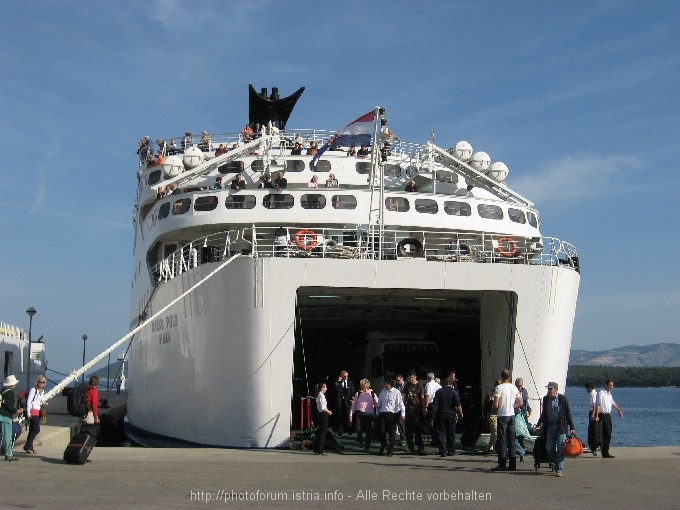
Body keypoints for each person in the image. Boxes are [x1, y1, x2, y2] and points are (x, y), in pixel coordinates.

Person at [538, 382, 575, 477]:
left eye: (550, 389)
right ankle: (553, 461)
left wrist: (572, 427)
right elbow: (544, 413)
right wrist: (539, 423)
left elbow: (568, 413)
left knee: (560, 448)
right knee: (549, 447)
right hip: (550, 426)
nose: (549, 391)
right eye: (548, 389)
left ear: (555, 389)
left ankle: (559, 469)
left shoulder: (562, 399)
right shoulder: (546, 399)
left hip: (561, 426)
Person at [492, 369, 521, 471]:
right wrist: (512, 406)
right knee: (511, 440)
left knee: (502, 440)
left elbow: (495, 404)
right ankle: (513, 464)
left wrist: (498, 408)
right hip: (511, 415)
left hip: (502, 415)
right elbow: (520, 402)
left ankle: (502, 464)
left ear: (502, 376)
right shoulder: (514, 388)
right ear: (509, 377)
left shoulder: (498, 388)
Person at [432, 376, 463, 457]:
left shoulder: (438, 392)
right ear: (451, 383)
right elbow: (458, 404)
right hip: (451, 414)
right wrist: (460, 414)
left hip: (440, 414)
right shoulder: (454, 392)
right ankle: (451, 450)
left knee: (441, 433)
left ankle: (443, 451)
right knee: (451, 433)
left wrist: (434, 413)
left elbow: (435, 405)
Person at [376, 377, 406, 456]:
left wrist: (403, 414)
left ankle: (390, 449)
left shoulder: (396, 392)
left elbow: (400, 404)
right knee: (381, 431)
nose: (385, 385)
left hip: (392, 414)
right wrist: (377, 411)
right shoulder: (383, 391)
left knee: (391, 433)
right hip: (383, 413)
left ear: (390, 384)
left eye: (386, 383)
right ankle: (383, 445)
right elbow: (379, 403)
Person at [595, 379, 623, 459]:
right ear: (606, 385)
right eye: (610, 385)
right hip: (602, 414)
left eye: (612, 385)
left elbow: (613, 403)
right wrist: (596, 415)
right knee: (606, 433)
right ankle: (604, 452)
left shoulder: (609, 395)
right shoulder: (601, 393)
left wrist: (619, 410)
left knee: (609, 433)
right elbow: (598, 404)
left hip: (608, 415)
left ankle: (605, 451)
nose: (611, 387)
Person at [349, 379, 378, 451]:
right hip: (360, 413)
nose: (362, 387)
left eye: (363, 386)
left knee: (369, 430)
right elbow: (354, 405)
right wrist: (350, 414)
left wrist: (378, 413)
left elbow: (377, 404)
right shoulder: (358, 393)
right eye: (361, 386)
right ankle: (360, 441)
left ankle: (367, 445)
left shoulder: (372, 393)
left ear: (367, 386)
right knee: (358, 428)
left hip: (369, 414)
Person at [23, 375, 48, 455]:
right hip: (32, 411)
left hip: (37, 411)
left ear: (44, 383)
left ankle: (30, 448)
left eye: (43, 382)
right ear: (37, 382)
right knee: (37, 429)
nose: (41, 383)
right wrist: (28, 413)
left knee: (31, 430)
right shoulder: (33, 390)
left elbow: (41, 400)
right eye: (39, 382)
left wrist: (44, 403)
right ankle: (27, 445)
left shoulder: (42, 391)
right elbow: (29, 401)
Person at [403, 370, 426, 455]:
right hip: (409, 409)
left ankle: (420, 447)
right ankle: (410, 446)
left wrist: (424, 408)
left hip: (417, 410)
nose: (410, 379)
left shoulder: (419, 386)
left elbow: (422, 397)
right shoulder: (407, 385)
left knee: (417, 429)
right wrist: (403, 406)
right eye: (409, 377)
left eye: (412, 377)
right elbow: (404, 396)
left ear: (415, 376)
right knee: (408, 429)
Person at [1, 375, 23, 461]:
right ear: (12, 384)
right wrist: (16, 410)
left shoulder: (2, 391)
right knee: (8, 436)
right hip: (6, 416)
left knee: (2, 434)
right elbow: (8, 405)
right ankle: (8, 454)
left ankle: (5, 451)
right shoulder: (10, 393)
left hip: (0, 415)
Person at [333, 371, 354, 435]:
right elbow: (335, 389)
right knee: (340, 416)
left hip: (348, 402)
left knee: (349, 416)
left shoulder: (350, 383)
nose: (346, 377)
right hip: (340, 402)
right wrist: (338, 382)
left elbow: (352, 392)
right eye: (344, 376)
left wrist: (352, 399)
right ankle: (340, 431)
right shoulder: (337, 383)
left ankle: (350, 430)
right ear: (341, 376)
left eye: (347, 376)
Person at [313, 383, 332, 455]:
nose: (326, 389)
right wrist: (329, 412)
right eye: (325, 387)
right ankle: (320, 449)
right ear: (322, 388)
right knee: (323, 432)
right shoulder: (321, 396)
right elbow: (323, 407)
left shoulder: (321, 396)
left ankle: (317, 448)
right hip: (323, 414)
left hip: (322, 414)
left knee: (321, 432)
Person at [423, 372, 441, 445]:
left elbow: (427, 396)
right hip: (438, 405)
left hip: (431, 404)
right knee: (437, 423)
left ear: (427, 378)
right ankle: (437, 438)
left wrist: (426, 406)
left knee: (430, 423)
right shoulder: (438, 386)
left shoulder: (428, 385)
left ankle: (434, 438)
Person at [485, 380, 501, 452]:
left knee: (494, 431)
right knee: (495, 431)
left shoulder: (502, 394)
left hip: (499, 414)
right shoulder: (490, 394)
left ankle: (491, 446)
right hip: (492, 414)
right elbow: (485, 405)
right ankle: (497, 447)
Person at [585, 381, 600, 455]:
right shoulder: (592, 394)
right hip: (592, 412)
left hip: (592, 412)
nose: (586, 390)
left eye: (587, 388)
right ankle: (593, 445)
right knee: (592, 429)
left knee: (593, 429)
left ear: (590, 387)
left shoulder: (593, 394)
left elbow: (595, 405)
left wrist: (593, 414)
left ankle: (594, 446)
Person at [394, 374, 406, 445]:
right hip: (397, 408)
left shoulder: (406, 386)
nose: (397, 382)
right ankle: (402, 439)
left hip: (405, 406)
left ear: (402, 379)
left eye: (398, 380)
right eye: (396, 380)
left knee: (403, 424)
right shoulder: (395, 387)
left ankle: (404, 438)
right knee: (400, 424)